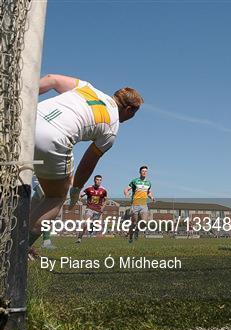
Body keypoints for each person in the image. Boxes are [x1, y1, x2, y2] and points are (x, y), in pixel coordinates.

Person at [28, 74, 143, 250]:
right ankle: (15, 253)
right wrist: (75, 189)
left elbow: (52, 79)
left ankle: (11, 234)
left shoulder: (87, 87)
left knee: (22, 185)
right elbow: (87, 163)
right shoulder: (112, 129)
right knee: (55, 197)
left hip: (28, 120)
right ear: (128, 110)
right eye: (134, 114)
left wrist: (25, 97)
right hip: (52, 139)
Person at [123, 166, 155, 243]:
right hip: (135, 204)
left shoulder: (148, 183)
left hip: (144, 205)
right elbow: (126, 189)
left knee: (144, 223)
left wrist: (152, 197)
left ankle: (137, 230)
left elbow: (148, 192)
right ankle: (130, 236)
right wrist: (126, 193)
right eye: (143, 171)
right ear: (140, 172)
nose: (144, 172)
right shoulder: (135, 181)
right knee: (134, 223)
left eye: (146, 171)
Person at [76, 175, 107, 243]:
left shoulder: (104, 190)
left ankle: (92, 225)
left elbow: (105, 200)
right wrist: (78, 197)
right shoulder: (89, 188)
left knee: (97, 225)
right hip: (89, 208)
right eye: (97, 179)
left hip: (98, 210)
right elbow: (81, 195)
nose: (98, 181)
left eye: (100, 180)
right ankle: (79, 238)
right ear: (94, 180)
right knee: (86, 223)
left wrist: (102, 208)